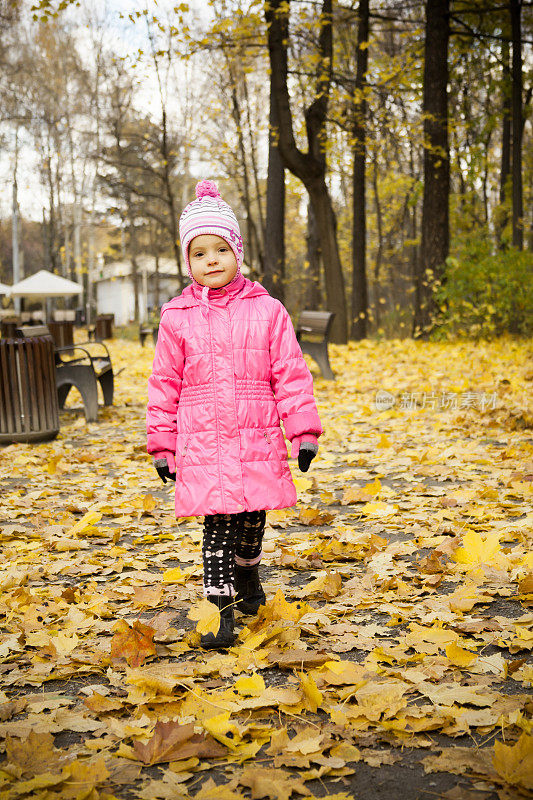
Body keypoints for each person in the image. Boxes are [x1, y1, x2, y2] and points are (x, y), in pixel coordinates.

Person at [146, 180, 323, 650]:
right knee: (218, 520)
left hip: (257, 431)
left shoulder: (267, 310)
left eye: (220, 249)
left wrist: (303, 431)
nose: (211, 261)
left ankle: (247, 575)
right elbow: (164, 382)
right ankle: (216, 607)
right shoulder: (176, 316)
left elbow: (290, 372)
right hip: (203, 436)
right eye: (200, 253)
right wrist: (162, 443)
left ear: (236, 251)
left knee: (252, 515)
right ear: (189, 261)